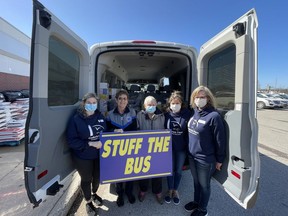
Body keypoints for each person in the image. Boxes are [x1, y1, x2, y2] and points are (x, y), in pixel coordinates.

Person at [184, 86, 226, 216]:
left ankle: (203, 210)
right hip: (192, 156)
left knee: (204, 185)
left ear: (208, 99)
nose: (199, 99)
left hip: (205, 159)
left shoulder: (214, 116)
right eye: (197, 97)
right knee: (196, 183)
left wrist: (219, 159)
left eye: (202, 97)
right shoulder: (194, 112)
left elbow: (220, 140)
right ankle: (196, 202)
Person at [66, 92, 106, 214]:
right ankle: (88, 201)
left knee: (97, 177)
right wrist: (89, 143)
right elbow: (71, 141)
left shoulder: (100, 116)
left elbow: (106, 131)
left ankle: (94, 193)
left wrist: (114, 131)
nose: (92, 105)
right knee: (86, 179)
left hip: (98, 155)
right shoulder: (76, 119)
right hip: (83, 156)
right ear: (84, 103)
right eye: (89, 103)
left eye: (94, 103)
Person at [106, 89, 137, 207]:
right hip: (115, 149)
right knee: (117, 172)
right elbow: (105, 131)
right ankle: (120, 193)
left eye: (125, 98)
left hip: (130, 148)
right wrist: (113, 131)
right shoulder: (109, 114)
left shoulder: (133, 113)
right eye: (120, 98)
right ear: (116, 100)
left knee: (130, 171)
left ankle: (129, 192)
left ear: (128, 100)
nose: (122, 101)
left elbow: (136, 131)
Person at [164, 91, 192, 205]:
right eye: (173, 103)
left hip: (181, 149)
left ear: (181, 104)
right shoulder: (166, 114)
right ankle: (169, 189)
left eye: (178, 103)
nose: (175, 105)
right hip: (168, 148)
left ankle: (175, 190)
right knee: (169, 170)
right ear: (170, 104)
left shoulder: (187, 114)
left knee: (178, 170)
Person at [136, 95, 165, 205]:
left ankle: (157, 192)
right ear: (144, 105)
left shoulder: (162, 116)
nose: (151, 107)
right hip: (143, 149)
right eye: (149, 105)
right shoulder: (139, 115)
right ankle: (143, 190)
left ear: (156, 104)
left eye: (153, 104)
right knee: (143, 171)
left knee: (157, 172)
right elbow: (136, 130)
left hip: (158, 149)